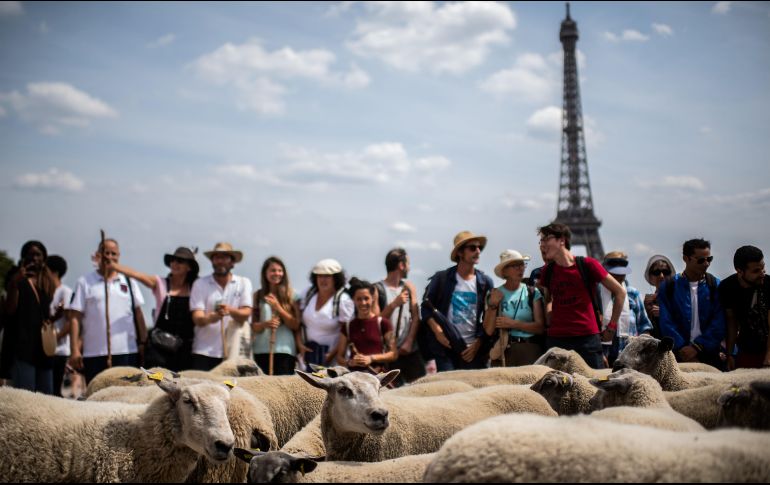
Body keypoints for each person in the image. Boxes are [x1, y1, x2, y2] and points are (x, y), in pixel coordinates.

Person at [536, 223, 626, 369]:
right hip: (557, 339)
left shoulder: (588, 265)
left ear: (562, 240)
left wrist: (612, 327)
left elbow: (620, 292)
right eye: (541, 241)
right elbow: (548, 299)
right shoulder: (548, 271)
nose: (542, 245)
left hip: (586, 339)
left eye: (546, 239)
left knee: (592, 388)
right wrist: (550, 317)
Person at [68, 238, 148, 384]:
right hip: (94, 353)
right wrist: (74, 349)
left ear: (118, 256)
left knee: (126, 395)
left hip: (126, 351)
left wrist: (143, 343)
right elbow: (75, 317)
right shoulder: (85, 282)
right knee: (96, 396)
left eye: (113, 253)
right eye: (106, 253)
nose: (109, 257)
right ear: (98, 255)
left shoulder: (129, 282)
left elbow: (138, 314)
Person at [107, 247, 199, 371]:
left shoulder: (195, 287)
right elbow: (136, 274)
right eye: (173, 260)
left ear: (189, 267)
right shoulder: (160, 283)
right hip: (159, 349)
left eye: (180, 261)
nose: (175, 264)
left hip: (184, 350)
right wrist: (114, 265)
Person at [421, 231, 494, 372]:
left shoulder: (485, 282)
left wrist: (478, 344)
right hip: (446, 349)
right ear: (460, 252)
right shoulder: (441, 278)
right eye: (472, 248)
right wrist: (438, 332)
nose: (478, 251)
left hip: (473, 351)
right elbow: (425, 308)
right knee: (448, 391)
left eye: (479, 248)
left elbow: (489, 318)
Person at [657, 238, 726, 370]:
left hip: (709, 354)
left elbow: (719, 322)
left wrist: (697, 347)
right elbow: (666, 322)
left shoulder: (715, 285)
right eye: (701, 260)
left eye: (709, 259)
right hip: (678, 354)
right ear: (686, 258)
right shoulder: (669, 286)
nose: (706, 264)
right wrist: (683, 348)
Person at [3, 241, 56, 393]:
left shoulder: (45, 282)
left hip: (43, 348)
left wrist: (55, 316)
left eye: (38, 254)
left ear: (44, 258)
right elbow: (10, 309)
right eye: (30, 254)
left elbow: (42, 316)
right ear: (23, 257)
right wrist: (14, 283)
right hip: (22, 346)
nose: (34, 258)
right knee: (26, 397)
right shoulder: (16, 276)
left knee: (47, 396)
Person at [189, 242, 253, 371]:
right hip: (204, 351)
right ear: (212, 261)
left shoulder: (243, 282)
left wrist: (230, 310)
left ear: (232, 262)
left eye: (224, 257)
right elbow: (197, 318)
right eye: (216, 257)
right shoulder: (200, 284)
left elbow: (246, 313)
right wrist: (212, 318)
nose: (220, 261)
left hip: (233, 351)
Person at [484, 249, 545, 367]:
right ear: (504, 271)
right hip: (502, 352)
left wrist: (513, 324)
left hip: (529, 351)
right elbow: (488, 330)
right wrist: (492, 305)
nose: (521, 268)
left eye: (522, 264)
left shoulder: (532, 292)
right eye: (515, 266)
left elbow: (540, 328)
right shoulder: (494, 294)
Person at [374, 248, 424, 385]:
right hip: (388, 353)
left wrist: (409, 341)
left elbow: (416, 317)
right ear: (401, 265)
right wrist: (394, 304)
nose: (409, 267)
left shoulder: (409, 287)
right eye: (407, 263)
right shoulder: (377, 289)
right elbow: (375, 322)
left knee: (420, 387)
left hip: (409, 351)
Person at [296, 259, 354, 371]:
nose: (323, 280)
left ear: (336, 278)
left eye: (327, 276)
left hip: (333, 363)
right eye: (320, 276)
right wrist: (300, 345)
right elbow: (298, 322)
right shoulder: (308, 294)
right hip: (307, 359)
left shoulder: (343, 300)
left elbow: (346, 332)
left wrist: (332, 354)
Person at [719, 245, 769, 369]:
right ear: (740, 271)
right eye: (756, 271)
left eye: (763, 268)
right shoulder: (727, 287)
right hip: (746, 349)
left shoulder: (769, 284)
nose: (762, 273)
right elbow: (732, 322)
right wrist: (730, 355)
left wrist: (768, 356)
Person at [599, 251, 653, 366]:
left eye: (622, 273)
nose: (619, 277)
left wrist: (641, 352)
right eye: (615, 273)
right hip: (603, 355)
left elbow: (644, 327)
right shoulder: (596, 293)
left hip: (629, 358)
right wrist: (598, 353)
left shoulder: (633, 294)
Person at [336, 278, 397, 373]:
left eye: (366, 298)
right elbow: (339, 357)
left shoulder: (383, 323)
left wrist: (371, 358)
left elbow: (393, 354)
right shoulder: (347, 327)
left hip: (377, 378)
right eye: (359, 299)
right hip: (354, 379)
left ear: (372, 298)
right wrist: (350, 362)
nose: (363, 303)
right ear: (353, 300)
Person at [252, 256, 299, 375]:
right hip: (261, 349)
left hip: (284, 350)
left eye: (280, 270)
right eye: (273, 270)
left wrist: (277, 307)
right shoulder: (258, 295)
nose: (277, 273)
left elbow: (295, 324)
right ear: (265, 273)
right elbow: (254, 326)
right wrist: (265, 324)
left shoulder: (292, 295)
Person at [46, 255, 75, 397]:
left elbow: (70, 322)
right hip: (46, 350)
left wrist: (53, 338)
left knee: (55, 390)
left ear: (54, 272)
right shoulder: (46, 292)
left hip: (60, 350)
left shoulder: (65, 291)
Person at [643, 255, 676, 339]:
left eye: (665, 272)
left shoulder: (679, 297)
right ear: (650, 277)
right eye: (656, 272)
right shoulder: (648, 301)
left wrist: (664, 313)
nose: (661, 276)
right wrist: (647, 312)